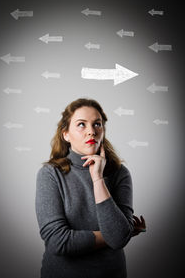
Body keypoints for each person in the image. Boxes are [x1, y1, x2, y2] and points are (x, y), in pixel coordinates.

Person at [35, 98, 146, 278]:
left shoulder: (119, 173)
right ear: (66, 134)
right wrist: (118, 233)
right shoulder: (50, 174)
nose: (91, 131)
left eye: (97, 124)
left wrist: (98, 179)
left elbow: (118, 238)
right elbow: (59, 242)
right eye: (81, 125)